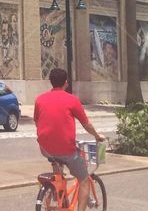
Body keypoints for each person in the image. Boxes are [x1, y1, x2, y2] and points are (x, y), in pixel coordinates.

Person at [34, 68, 106, 209]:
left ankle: (57, 195)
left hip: (45, 148)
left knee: (57, 164)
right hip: (66, 150)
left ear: (51, 82)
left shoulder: (40, 99)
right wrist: (97, 136)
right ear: (65, 83)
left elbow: (37, 121)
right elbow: (86, 124)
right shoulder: (72, 100)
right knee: (84, 180)